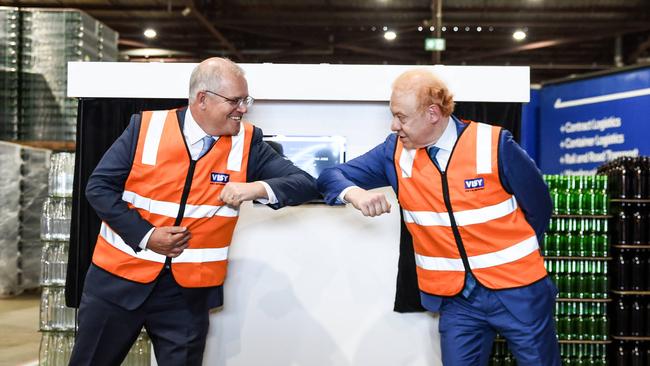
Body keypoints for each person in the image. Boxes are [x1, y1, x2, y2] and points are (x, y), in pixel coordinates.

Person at [69, 57, 320, 366]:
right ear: (203, 99)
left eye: (246, 100)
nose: (243, 108)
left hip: (186, 297)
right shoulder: (145, 128)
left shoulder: (248, 142)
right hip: (117, 284)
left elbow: (306, 183)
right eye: (235, 100)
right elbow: (99, 188)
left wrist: (255, 189)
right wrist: (147, 236)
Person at [317, 69, 560, 365]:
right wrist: (355, 194)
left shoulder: (494, 143)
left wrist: (511, 258)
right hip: (458, 301)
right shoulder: (392, 153)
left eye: (401, 117)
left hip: (519, 291)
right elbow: (330, 175)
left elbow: (539, 206)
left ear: (433, 113)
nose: (394, 126)